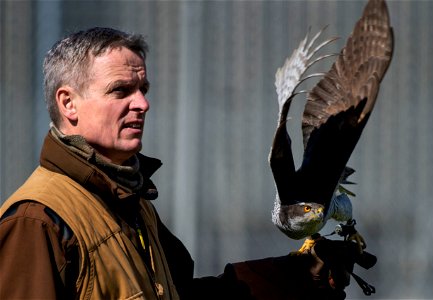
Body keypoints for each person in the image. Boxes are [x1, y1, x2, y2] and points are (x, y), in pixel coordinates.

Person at [0, 27, 375, 300]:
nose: (142, 104)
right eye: (121, 91)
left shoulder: (128, 201)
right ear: (68, 103)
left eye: (143, 90)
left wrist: (294, 276)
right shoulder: (37, 221)